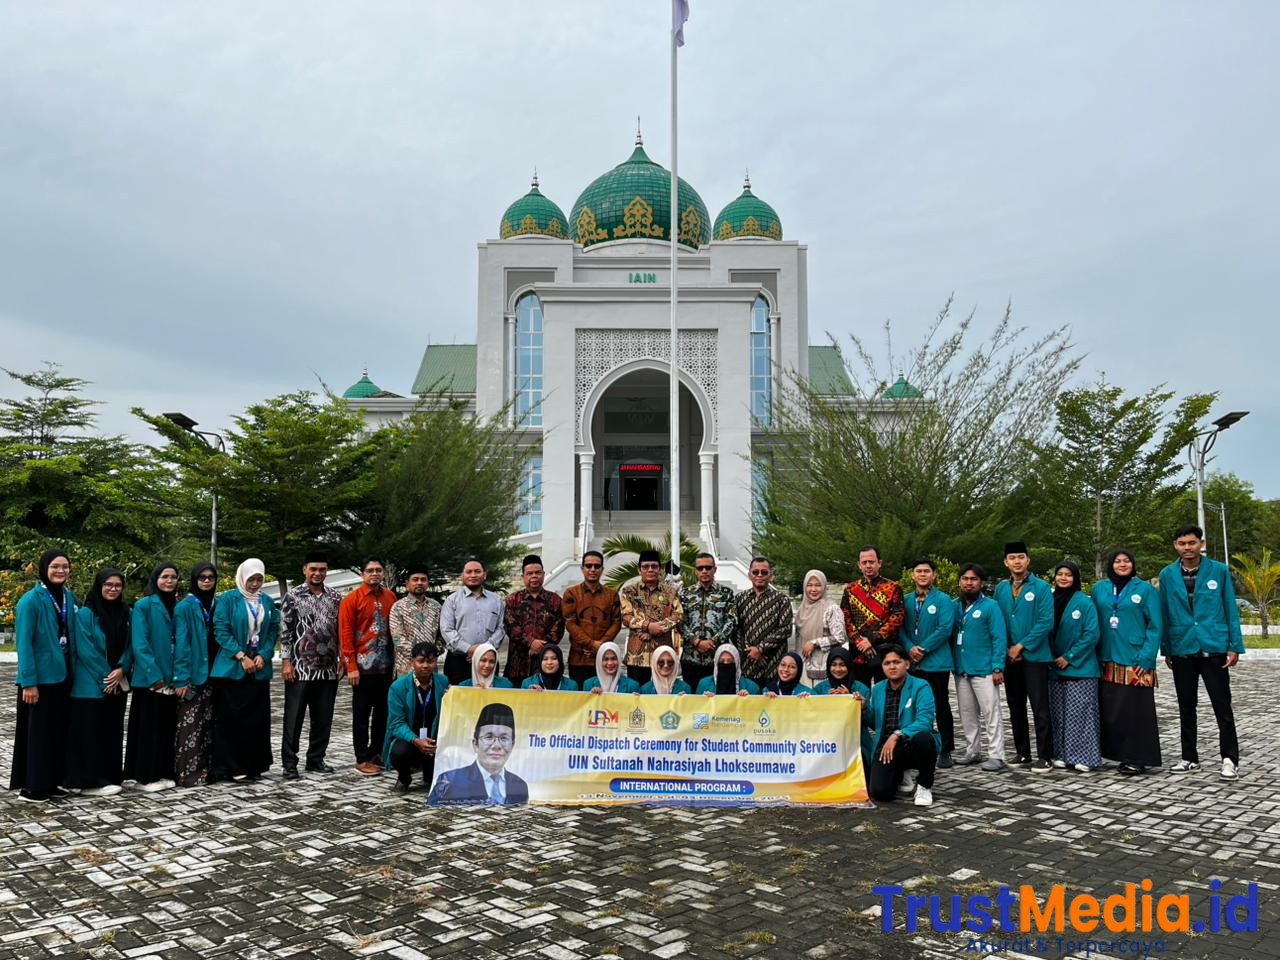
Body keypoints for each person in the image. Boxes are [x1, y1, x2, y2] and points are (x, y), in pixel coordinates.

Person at [1159, 524, 1244, 780]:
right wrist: (1167, 649)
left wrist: (1234, 645)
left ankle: (1229, 759)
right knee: (1186, 706)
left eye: (1192, 543)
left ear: (1201, 543)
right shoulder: (1167, 574)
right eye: (1182, 544)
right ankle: (1189, 757)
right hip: (1182, 647)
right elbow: (1164, 612)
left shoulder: (1218, 571)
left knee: (1222, 706)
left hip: (1213, 648)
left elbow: (1230, 607)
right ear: (1176, 546)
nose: (1188, 548)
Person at [11, 549, 77, 803]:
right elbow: (24, 644)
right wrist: (28, 682)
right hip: (39, 680)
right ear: (44, 568)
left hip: (62, 678)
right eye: (55, 566)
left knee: (56, 732)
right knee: (37, 734)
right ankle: (32, 786)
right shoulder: (31, 600)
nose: (60, 571)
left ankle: (50, 782)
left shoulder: (69, 598)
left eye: (65, 566)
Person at [1092, 549, 1162, 775]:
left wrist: (1147, 655)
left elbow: (1155, 625)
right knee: (1112, 710)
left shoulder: (1145, 589)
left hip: (1135, 657)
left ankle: (1138, 757)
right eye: (1117, 561)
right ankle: (1118, 754)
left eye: (1127, 561)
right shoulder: (1100, 588)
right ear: (1110, 564)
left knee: (1137, 710)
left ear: (1133, 564)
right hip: (1106, 656)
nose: (1122, 564)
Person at [210, 558, 278, 782]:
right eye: (251, 579)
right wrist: (241, 655)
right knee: (232, 720)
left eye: (259, 579)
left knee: (256, 720)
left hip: (258, 669)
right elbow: (220, 629)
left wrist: (263, 655)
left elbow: (271, 632)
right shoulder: (228, 599)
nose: (255, 583)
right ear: (242, 577)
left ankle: (254, 765)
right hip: (232, 668)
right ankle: (231, 766)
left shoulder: (267, 601)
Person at [66, 567, 131, 797]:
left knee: (111, 732)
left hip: (117, 683)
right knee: (90, 733)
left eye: (117, 585)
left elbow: (129, 645)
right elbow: (85, 650)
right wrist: (108, 677)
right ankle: (89, 781)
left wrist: (122, 668)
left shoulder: (125, 612)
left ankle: (111, 776)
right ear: (99, 586)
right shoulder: (86, 613)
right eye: (108, 585)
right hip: (90, 686)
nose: (113, 589)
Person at [278, 552, 343, 780]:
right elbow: (285, 631)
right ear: (304, 570)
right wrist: (286, 661)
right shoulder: (294, 596)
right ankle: (289, 764)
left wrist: (343, 658)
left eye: (322, 570)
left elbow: (340, 631)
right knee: (294, 718)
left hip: (327, 669)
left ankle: (316, 759)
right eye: (313, 569)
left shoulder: (335, 597)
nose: (318, 573)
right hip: (300, 668)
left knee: (323, 717)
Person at [994, 540, 1055, 771]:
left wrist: (1020, 646)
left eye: (1021, 557)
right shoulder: (1001, 588)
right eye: (1012, 558)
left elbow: (1045, 622)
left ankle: (1045, 755)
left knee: (1040, 708)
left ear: (1028, 560)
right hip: (1010, 659)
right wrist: (1008, 649)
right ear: (1006, 562)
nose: (1017, 561)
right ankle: (1022, 753)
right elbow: (999, 621)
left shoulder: (1041, 587)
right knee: (1015, 706)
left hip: (1035, 657)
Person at [125, 561, 181, 792]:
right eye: (164, 577)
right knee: (148, 728)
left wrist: (176, 676)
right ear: (155, 579)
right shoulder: (144, 605)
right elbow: (140, 643)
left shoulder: (179, 606)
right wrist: (154, 676)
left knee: (167, 728)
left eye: (173, 577)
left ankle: (163, 771)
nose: (169, 581)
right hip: (149, 680)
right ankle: (144, 776)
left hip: (171, 678)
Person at [340, 557, 397, 775]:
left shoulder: (390, 597)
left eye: (378, 570)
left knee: (383, 712)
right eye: (370, 570)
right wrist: (350, 666)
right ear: (362, 574)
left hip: (385, 667)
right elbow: (345, 634)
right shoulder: (352, 600)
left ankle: (376, 752)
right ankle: (361, 757)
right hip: (362, 669)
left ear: (383, 573)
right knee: (362, 715)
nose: (374, 574)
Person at [863, 645, 940, 806]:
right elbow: (875, 723)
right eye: (887, 663)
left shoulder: (921, 686)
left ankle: (924, 785)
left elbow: (925, 721)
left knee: (924, 739)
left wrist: (897, 734)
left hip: (910, 742)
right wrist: (864, 709)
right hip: (888, 747)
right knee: (880, 793)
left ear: (907, 664)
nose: (892, 666)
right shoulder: (877, 689)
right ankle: (900, 774)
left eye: (897, 662)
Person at [902, 558, 959, 768]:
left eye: (927, 571)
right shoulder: (906, 600)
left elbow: (945, 628)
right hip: (913, 662)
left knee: (940, 704)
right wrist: (910, 648)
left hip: (936, 663)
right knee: (914, 705)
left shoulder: (943, 600)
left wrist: (923, 649)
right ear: (913, 575)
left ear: (933, 575)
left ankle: (946, 749)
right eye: (919, 571)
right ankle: (915, 743)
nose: (923, 574)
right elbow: (900, 627)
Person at [952, 563, 1008, 772]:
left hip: (984, 669)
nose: (968, 583)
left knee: (991, 712)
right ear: (960, 581)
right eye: (965, 579)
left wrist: (997, 667)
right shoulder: (954, 606)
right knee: (967, 713)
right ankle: (972, 751)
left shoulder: (990, 607)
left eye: (973, 579)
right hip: (962, 669)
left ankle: (997, 755)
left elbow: (999, 638)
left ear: (981, 583)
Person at [1047, 561, 1102, 772]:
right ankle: (1062, 754)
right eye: (1059, 574)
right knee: (1059, 714)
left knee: (1082, 713)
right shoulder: (1049, 601)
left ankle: (1085, 757)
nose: (1063, 578)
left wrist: (1069, 656)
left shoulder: (1084, 602)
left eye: (1068, 574)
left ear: (1075, 578)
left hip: (1080, 666)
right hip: (1054, 667)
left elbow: (1092, 634)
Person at [427, 702, 529, 805]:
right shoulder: (449, 781)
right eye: (489, 737)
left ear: (512, 745)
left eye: (504, 738)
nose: (497, 745)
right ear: (475, 744)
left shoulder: (520, 785)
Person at [382, 642, 449, 794]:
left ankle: (429, 771)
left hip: (433, 740)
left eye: (430, 661)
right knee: (399, 752)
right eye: (421, 661)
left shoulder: (443, 681)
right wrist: (417, 741)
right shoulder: (398, 687)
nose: (425, 665)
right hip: (410, 740)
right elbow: (397, 723)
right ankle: (404, 778)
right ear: (412, 662)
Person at [172, 562, 217, 787]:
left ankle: (209, 770)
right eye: (202, 577)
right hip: (193, 674)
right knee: (190, 727)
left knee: (209, 726)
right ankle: (188, 774)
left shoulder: (217, 604)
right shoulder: (185, 607)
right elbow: (182, 644)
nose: (207, 581)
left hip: (215, 674)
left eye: (210, 577)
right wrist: (181, 677)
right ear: (194, 580)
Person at [840, 545, 905, 689]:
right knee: (859, 695)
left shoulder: (893, 587)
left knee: (886, 693)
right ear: (859, 565)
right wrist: (860, 641)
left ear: (879, 563)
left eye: (872, 562)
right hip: (858, 653)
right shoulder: (850, 589)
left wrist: (872, 640)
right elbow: (845, 618)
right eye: (864, 562)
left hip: (885, 653)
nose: (868, 565)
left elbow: (897, 617)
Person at [619, 550, 683, 687]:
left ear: (659, 569)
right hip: (637, 657)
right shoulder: (629, 591)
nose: (650, 570)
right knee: (636, 695)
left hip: (663, 657)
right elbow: (626, 616)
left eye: (654, 566)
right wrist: (648, 626)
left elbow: (678, 615)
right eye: (645, 566)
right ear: (639, 569)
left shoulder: (670, 592)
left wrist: (658, 629)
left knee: (663, 693)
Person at [439, 557, 506, 686]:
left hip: (488, 662)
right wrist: (469, 649)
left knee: (489, 701)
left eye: (477, 571)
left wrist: (484, 649)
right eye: (469, 572)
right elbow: (447, 629)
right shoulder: (452, 600)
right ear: (462, 576)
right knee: (459, 701)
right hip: (459, 661)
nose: (473, 575)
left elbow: (502, 628)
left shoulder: (496, 600)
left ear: (484, 575)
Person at [678, 553, 738, 690]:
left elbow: (731, 620)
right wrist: (696, 641)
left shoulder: (726, 593)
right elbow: (679, 621)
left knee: (717, 698)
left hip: (717, 659)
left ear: (714, 570)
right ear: (695, 570)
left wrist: (713, 641)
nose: (704, 571)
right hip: (690, 658)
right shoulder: (685, 594)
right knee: (692, 699)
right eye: (700, 568)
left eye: (708, 567)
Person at [562, 551, 622, 687]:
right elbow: (570, 624)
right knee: (581, 699)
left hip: (606, 660)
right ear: (582, 568)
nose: (593, 569)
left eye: (597, 566)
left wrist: (601, 645)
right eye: (589, 566)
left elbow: (617, 622)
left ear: (602, 569)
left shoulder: (612, 595)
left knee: (606, 696)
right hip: (579, 658)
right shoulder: (571, 593)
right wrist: (591, 644)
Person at [504, 554, 566, 686]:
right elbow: (511, 626)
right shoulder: (513, 599)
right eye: (529, 573)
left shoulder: (555, 600)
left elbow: (558, 628)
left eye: (538, 573)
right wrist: (530, 642)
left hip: (546, 665)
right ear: (523, 577)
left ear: (543, 575)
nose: (534, 576)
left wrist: (540, 647)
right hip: (517, 665)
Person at [734, 556, 793, 688]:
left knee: (773, 705)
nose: (759, 575)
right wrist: (752, 652)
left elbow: (785, 629)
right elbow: (736, 630)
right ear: (749, 575)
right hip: (748, 666)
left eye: (764, 572)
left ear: (770, 575)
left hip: (773, 665)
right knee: (749, 704)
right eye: (755, 572)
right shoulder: (739, 599)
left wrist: (760, 649)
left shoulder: (781, 599)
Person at [812, 648, 875, 769]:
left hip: (857, 742)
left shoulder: (861, 689)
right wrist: (826, 703)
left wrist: (854, 702)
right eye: (834, 665)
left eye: (842, 665)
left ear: (849, 666)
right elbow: (814, 720)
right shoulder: (820, 689)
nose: (838, 669)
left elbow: (872, 722)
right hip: (827, 742)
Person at [795, 569, 845, 689]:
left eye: (818, 585)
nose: (813, 589)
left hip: (824, 667)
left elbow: (840, 637)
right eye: (809, 585)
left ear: (824, 587)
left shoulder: (831, 608)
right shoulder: (801, 609)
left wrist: (815, 643)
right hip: (803, 666)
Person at [390, 565, 442, 676]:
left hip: (431, 667)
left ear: (427, 583)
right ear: (407, 584)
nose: (419, 583)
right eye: (415, 580)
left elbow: (441, 635)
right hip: (406, 668)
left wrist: (432, 654)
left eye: (423, 580)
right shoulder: (398, 607)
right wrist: (420, 657)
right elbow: (398, 638)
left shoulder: (436, 607)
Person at [695, 644, 761, 696]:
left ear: (737, 663)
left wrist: (748, 701)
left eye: (730, 661)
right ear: (716, 663)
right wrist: (705, 701)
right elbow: (695, 710)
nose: (726, 664)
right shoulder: (704, 684)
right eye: (721, 661)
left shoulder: (752, 686)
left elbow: (758, 711)